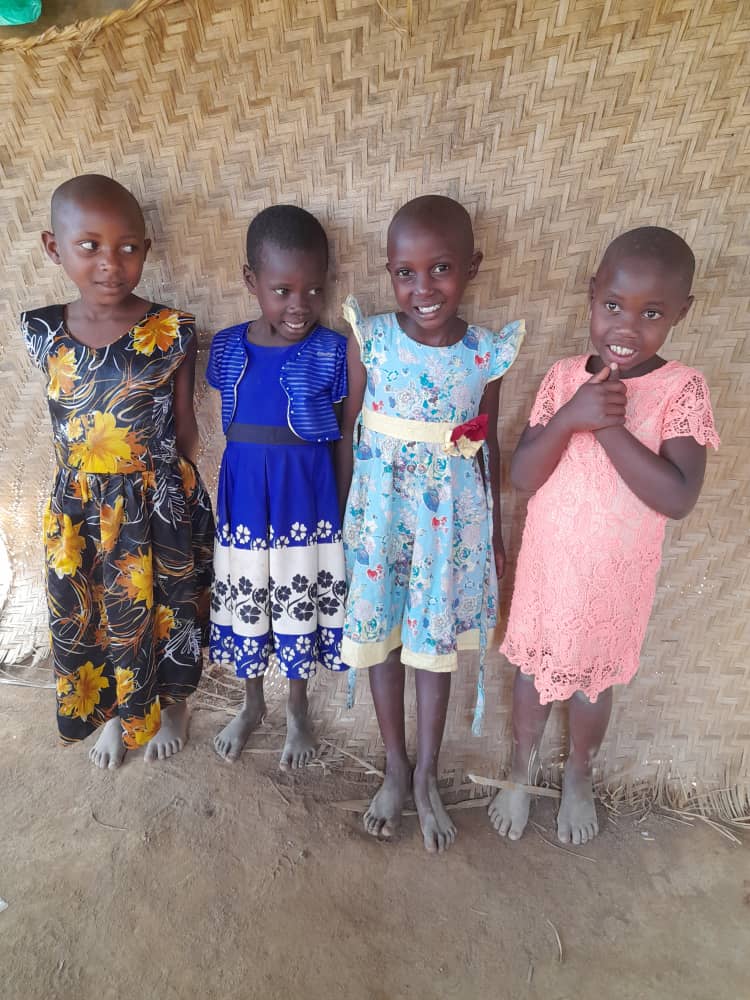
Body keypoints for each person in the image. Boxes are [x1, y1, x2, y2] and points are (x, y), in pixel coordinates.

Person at [490, 226, 720, 846]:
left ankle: (580, 774)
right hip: (550, 565)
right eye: (614, 305)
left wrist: (610, 428)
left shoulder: (681, 390)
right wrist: (573, 415)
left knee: (593, 683)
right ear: (592, 295)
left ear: (681, 313)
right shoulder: (565, 377)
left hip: (614, 576)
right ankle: (520, 772)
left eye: (652, 314)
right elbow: (523, 476)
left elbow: (678, 497)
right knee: (533, 673)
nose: (627, 326)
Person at [338, 195, 525, 852]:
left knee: (431, 645)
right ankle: (394, 766)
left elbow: (487, 443)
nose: (424, 288)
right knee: (385, 639)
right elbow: (350, 432)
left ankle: (426, 776)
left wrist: (494, 534)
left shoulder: (485, 354)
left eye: (441, 268)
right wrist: (348, 522)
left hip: (450, 527)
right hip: (381, 519)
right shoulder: (372, 339)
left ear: (471, 266)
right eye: (406, 273)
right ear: (389, 273)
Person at [22, 174, 214, 769]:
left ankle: (172, 707)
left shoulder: (172, 330)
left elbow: (185, 428)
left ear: (146, 249)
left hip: (157, 502)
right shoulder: (42, 330)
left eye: (128, 247)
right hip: (80, 510)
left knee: (169, 608)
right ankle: (114, 714)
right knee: (97, 613)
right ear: (54, 247)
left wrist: (174, 495)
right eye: (90, 246)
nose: (111, 262)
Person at [208, 205, 348, 770]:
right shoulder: (226, 347)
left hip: (305, 499)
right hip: (244, 496)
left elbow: (343, 437)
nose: (300, 305)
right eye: (283, 290)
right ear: (251, 281)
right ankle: (251, 703)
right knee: (250, 594)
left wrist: (340, 509)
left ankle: (296, 709)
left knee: (297, 596)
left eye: (314, 289)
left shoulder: (333, 351)